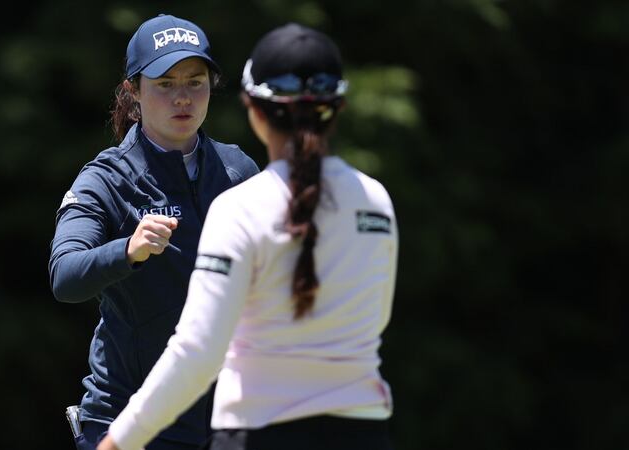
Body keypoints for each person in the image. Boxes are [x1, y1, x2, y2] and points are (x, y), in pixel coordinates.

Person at [97, 23, 398, 450]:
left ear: (253, 109)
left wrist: (119, 442)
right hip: (365, 432)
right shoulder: (376, 202)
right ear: (339, 107)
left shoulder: (240, 207)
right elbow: (375, 322)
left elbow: (199, 352)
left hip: (257, 433)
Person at [48, 13, 260, 450]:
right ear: (134, 92)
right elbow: (65, 277)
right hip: (127, 424)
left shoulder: (239, 170)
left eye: (195, 81)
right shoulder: (106, 179)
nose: (183, 98)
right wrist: (128, 249)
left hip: (226, 424)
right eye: (165, 83)